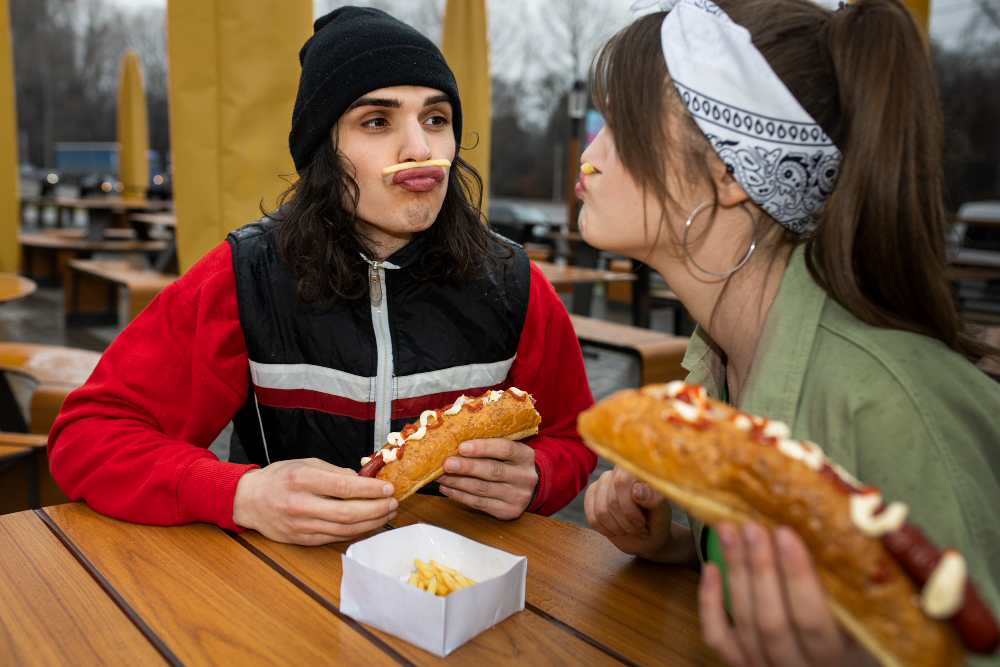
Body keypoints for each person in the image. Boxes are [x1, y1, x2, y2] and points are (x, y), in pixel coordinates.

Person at [48, 7, 596, 546]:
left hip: (462, 592)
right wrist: (243, 494)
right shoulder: (244, 276)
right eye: (377, 121)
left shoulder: (514, 282)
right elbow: (88, 436)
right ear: (322, 153)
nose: (420, 150)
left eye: (436, 119)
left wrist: (538, 477)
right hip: (284, 590)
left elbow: (573, 438)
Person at [579, 0, 1000, 664]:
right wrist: (679, 539)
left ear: (728, 174)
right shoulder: (719, 361)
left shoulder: (896, 408)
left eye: (621, 127)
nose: (591, 156)